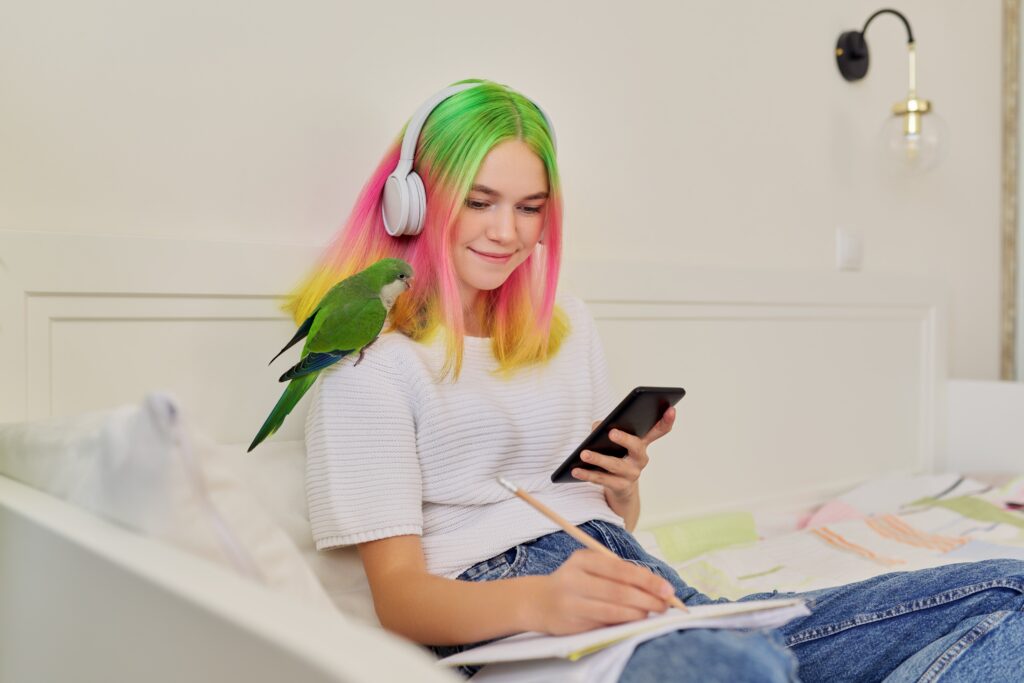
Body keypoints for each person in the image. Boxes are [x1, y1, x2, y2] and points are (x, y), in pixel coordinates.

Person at [284, 78, 1024, 681]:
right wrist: (543, 601)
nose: (507, 232)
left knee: (1009, 589)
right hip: (526, 630)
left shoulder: (564, 327)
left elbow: (607, 522)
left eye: (530, 208)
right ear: (413, 201)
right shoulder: (370, 365)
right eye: (479, 201)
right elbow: (400, 600)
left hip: (654, 593)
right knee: (739, 668)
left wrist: (622, 490)